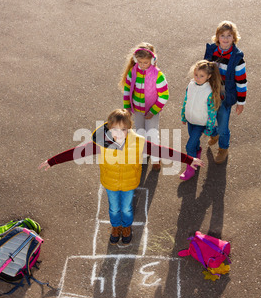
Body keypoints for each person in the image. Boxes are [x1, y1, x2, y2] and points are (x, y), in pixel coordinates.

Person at [39, 109, 203, 245]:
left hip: (129, 183)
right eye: (115, 130)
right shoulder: (100, 143)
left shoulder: (138, 142)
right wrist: (52, 161)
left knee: (126, 208)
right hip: (110, 182)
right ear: (109, 129)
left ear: (129, 128)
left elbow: (162, 151)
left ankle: (126, 227)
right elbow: (75, 152)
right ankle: (115, 226)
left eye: (123, 130)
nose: (119, 134)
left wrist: (189, 159)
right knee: (114, 208)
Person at [119, 42, 169, 171]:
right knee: (140, 133)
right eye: (139, 62)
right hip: (137, 110)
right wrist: (127, 107)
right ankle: (144, 154)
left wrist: (153, 111)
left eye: (145, 62)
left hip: (151, 110)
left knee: (152, 134)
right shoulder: (133, 71)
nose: (142, 65)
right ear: (135, 59)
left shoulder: (158, 75)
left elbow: (164, 96)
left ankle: (156, 158)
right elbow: (127, 90)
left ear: (152, 60)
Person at [204, 20, 247, 164]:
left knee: (223, 126)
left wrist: (241, 102)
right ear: (217, 37)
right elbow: (203, 69)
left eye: (229, 35)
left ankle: (223, 148)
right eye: (222, 35)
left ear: (234, 38)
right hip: (210, 93)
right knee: (207, 121)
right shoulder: (212, 51)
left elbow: (241, 82)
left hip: (224, 96)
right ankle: (214, 134)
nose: (226, 38)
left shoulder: (237, 58)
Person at [180, 60, 221, 180]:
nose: (197, 78)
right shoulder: (191, 85)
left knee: (189, 146)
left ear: (209, 76)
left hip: (201, 123)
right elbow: (186, 100)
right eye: (196, 75)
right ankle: (198, 151)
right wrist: (183, 115)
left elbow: (212, 112)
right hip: (191, 120)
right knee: (194, 145)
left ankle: (190, 169)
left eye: (201, 76)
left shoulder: (209, 91)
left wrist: (208, 127)